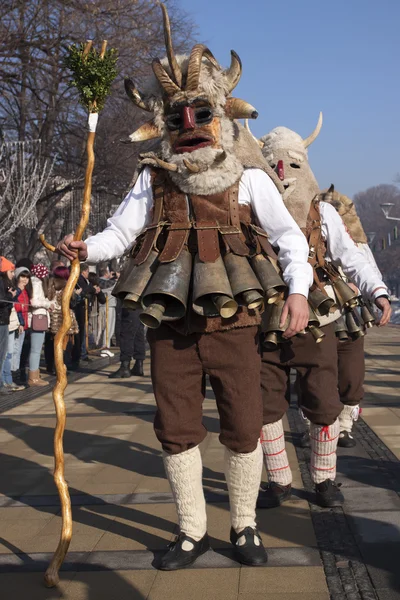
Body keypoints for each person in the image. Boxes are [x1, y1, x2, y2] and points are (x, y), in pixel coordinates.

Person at [57, 3, 312, 571]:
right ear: (166, 124)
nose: (191, 125)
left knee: (244, 424)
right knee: (175, 427)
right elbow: (119, 233)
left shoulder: (250, 180)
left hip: (236, 323)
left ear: (220, 117)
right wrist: (86, 248)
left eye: (201, 113)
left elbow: (293, 242)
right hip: (170, 326)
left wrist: (297, 291)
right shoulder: (154, 178)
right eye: (179, 117)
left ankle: (243, 525)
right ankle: (191, 530)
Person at [254, 115, 391, 508]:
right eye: (274, 164)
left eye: (292, 163)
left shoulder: (323, 213)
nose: (283, 173)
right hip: (265, 319)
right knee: (265, 402)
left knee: (324, 400)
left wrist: (377, 290)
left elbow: (353, 257)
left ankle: (324, 480)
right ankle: (279, 480)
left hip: (318, 317)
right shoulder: (248, 205)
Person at [46, 266, 79, 373]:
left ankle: (50, 366)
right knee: (63, 344)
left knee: (51, 343)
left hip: (52, 317)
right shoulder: (67, 286)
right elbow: (72, 302)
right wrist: (77, 295)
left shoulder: (49, 285)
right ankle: (60, 367)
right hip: (64, 317)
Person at [28, 263, 53, 386]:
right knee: (36, 349)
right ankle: (33, 376)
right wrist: (47, 304)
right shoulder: (37, 284)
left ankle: (35, 374)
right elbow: (34, 301)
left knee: (36, 349)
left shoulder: (34, 282)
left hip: (38, 316)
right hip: (38, 317)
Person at [0, 257, 21, 393]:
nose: (13, 274)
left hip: (3, 320)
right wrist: (10, 296)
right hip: (1, 321)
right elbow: (1, 301)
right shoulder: (1, 282)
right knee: (2, 353)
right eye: (11, 271)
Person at [108, 306, 145, 378]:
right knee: (138, 333)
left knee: (127, 332)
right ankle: (139, 365)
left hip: (130, 302)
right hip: (140, 304)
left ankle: (125, 367)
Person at [13, 267, 33, 383]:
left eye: (27, 277)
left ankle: (20, 374)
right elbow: (16, 306)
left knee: (22, 350)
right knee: (16, 350)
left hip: (25, 324)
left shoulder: (26, 291)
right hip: (17, 324)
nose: (25, 280)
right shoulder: (17, 290)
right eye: (22, 276)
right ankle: (14, 376)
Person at [98, 266, 116, 357]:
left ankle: (106, 347)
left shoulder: (106, 282)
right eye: (109, 272)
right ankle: (105, 348)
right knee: (107, 327)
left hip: (109, 306)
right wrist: (116, 277)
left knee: (109, 328)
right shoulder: (103, 282)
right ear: (106, 273)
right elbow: (111, 285)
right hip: (107, 307)